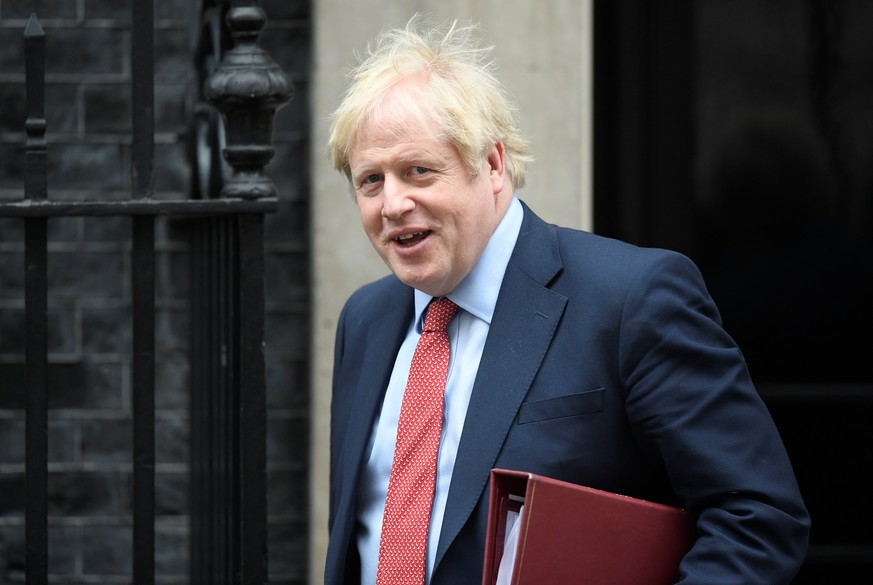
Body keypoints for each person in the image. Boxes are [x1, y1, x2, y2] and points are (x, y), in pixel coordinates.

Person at [324, 14, 810, 585]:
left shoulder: (632, 299)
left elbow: (757, 518)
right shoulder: (366, 320)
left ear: (494, 165)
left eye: (418, 171)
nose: (393, 203)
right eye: (371, 181)